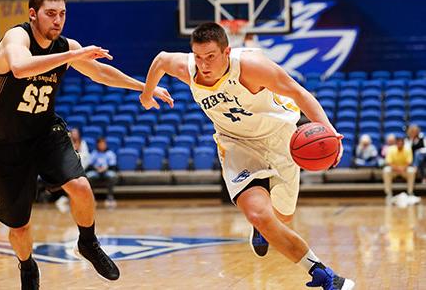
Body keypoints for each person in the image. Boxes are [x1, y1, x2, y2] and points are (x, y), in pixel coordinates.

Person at [139, 22, 354, 290]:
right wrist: (147, 94)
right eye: (198, 56)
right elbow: (160, 60)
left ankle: (265, 229)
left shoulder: (253, 66)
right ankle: (324, 274)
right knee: (258, 215)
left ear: (226, 51)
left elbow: (299, 93)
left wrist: (330, 133)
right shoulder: (188, 68)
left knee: (282, 218)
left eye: (210, 57)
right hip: (236, 143)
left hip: (281, 139)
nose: (203, 64)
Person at [0, 0, 173, 289]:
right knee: (19, 227)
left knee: (82, 187)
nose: (58, 20)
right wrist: (74, 55)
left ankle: (88, 242)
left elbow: (99, 73)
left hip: (44, 131)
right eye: (50, 14)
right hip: (5, 143)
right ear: (33, 14)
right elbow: (21, 67)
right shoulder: (15, 39)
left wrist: (145, 87)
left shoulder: (65, 46)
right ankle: (27, 265)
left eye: (62, 14)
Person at [87, 137, 118, 208]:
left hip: (107, 171)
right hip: (96, 172)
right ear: (97, 145)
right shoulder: (94, 153)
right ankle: (92, 197)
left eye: (103, 144)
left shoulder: (110, 153)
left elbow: (113, 166)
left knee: (112, 176)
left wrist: (106, 168)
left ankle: (110, 197)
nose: (102, 146)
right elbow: (90, 165)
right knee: (88, 176)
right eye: (100, 144)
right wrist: (96, 168)